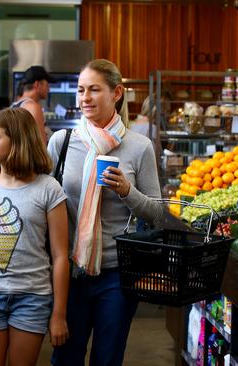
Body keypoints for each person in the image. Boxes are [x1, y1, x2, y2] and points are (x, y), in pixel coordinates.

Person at [47, 59, 187, 366]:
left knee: (107, 358)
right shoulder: (62, 142)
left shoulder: (138, 147)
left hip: (117, 274)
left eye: (94, 90)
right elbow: (43, 199)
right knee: (66, 357)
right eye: (81, 90)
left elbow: (158, 215)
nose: (85, 98)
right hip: (69, 273)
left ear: (117, 93)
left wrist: (127, 191)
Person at [0, 107, 70, 365]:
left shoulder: (49, 190)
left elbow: (61, 256)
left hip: (33, 298)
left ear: (18, 141)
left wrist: (59, 315)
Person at [11, 65, 55, 144]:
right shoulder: (33, 108)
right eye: (47, 85)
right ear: (37, 85)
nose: (48, 89)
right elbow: (41, 145)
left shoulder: (15, 105)